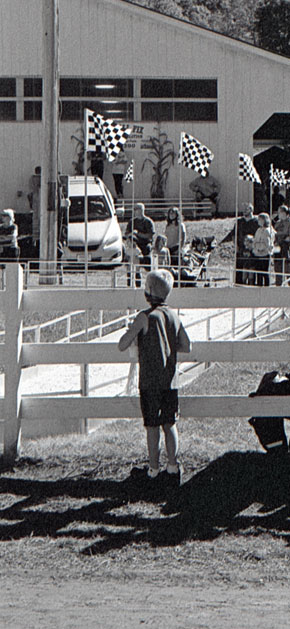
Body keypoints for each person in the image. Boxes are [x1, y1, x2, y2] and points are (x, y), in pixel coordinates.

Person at [117, 268, 191, 481]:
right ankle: (173, 467)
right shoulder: (174, 316)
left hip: (149, 381)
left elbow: (122, 344)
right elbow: (187, 346)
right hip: (170, 382)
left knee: (152, 426)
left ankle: (153, 469)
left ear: (148, 292)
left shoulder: (144, 317)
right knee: (170, 424)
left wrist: (134, 334)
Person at [126, 203, 154, 285]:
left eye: (137, 209)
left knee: (146, 261)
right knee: (131, 264)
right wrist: (131, 234)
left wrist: (138, 234)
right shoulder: (132, 222)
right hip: (134, 245)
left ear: (142, 210)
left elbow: (150, 235)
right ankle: (130, 282)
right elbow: (126, 234)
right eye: (134, 209)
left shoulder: (148, 221)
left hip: (145, 245)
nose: (135, 211)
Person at [234, 203, 259, 286]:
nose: (244, 210)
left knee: (252, 268)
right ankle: (239, 285)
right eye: (243, 209)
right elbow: (235, 235)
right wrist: (236, 246)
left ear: (251, 210)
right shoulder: (239, 222)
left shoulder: (256, 222)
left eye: (246, 209)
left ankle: (251, 284)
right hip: (241, 249)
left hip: (252, 249)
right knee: (240, 269)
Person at [274, 205, 290, 285]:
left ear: (285, 213)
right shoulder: (277, 223)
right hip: (278, 248)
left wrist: (285, 238)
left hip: (288, 248)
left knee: (288, 270)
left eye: (280, 212)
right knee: (278, 269)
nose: (278, 214)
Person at [250, 212, 275, 287]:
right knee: (258, 273)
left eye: (260, 219)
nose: (258, 221)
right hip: (257, 254)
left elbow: (267, 243)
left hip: (264, 254)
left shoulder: (268, 230)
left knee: (265, 273)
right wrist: (255, 247)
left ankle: (267, 288)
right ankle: (259, 287)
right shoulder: (258, 230)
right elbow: (255, 240)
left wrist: (260, 247)